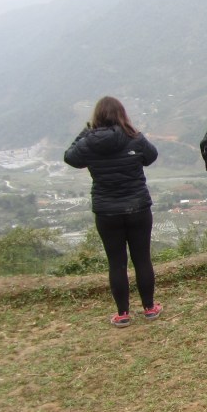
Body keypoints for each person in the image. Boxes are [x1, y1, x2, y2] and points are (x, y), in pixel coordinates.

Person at [64, 96, 162, 328]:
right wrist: (134, 134)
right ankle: (149, 308)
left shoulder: (89, 142)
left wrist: (85, 132)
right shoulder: (134, 137)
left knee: (116, 262)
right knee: (142, 258)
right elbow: (151, 156)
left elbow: (70, 157)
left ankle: (123, 314)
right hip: (138, 207)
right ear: (122, 115)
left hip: (106, 211)